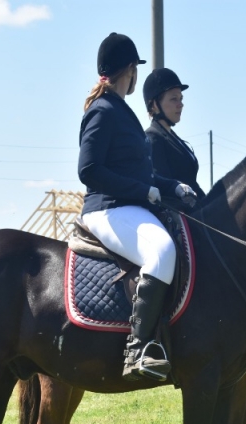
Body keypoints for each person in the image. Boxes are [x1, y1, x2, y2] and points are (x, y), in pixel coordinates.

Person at [78, 33, 196, 381]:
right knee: (161, 251)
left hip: (128, 205)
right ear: (129, 70)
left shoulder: (120, 111)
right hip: (107, 209)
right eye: (134, 71)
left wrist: (171, 185)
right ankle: (138, 348)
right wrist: (143, 191)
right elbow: (88, 170)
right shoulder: (102, 110)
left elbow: (140, 172)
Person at [143, 67, 206, 207]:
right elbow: (164, 191)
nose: (180, 104)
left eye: (181, 98)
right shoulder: (152, 138)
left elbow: (192, 184)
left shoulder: (174, 138)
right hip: (178, 218)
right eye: (173, 99)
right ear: (154, 105)